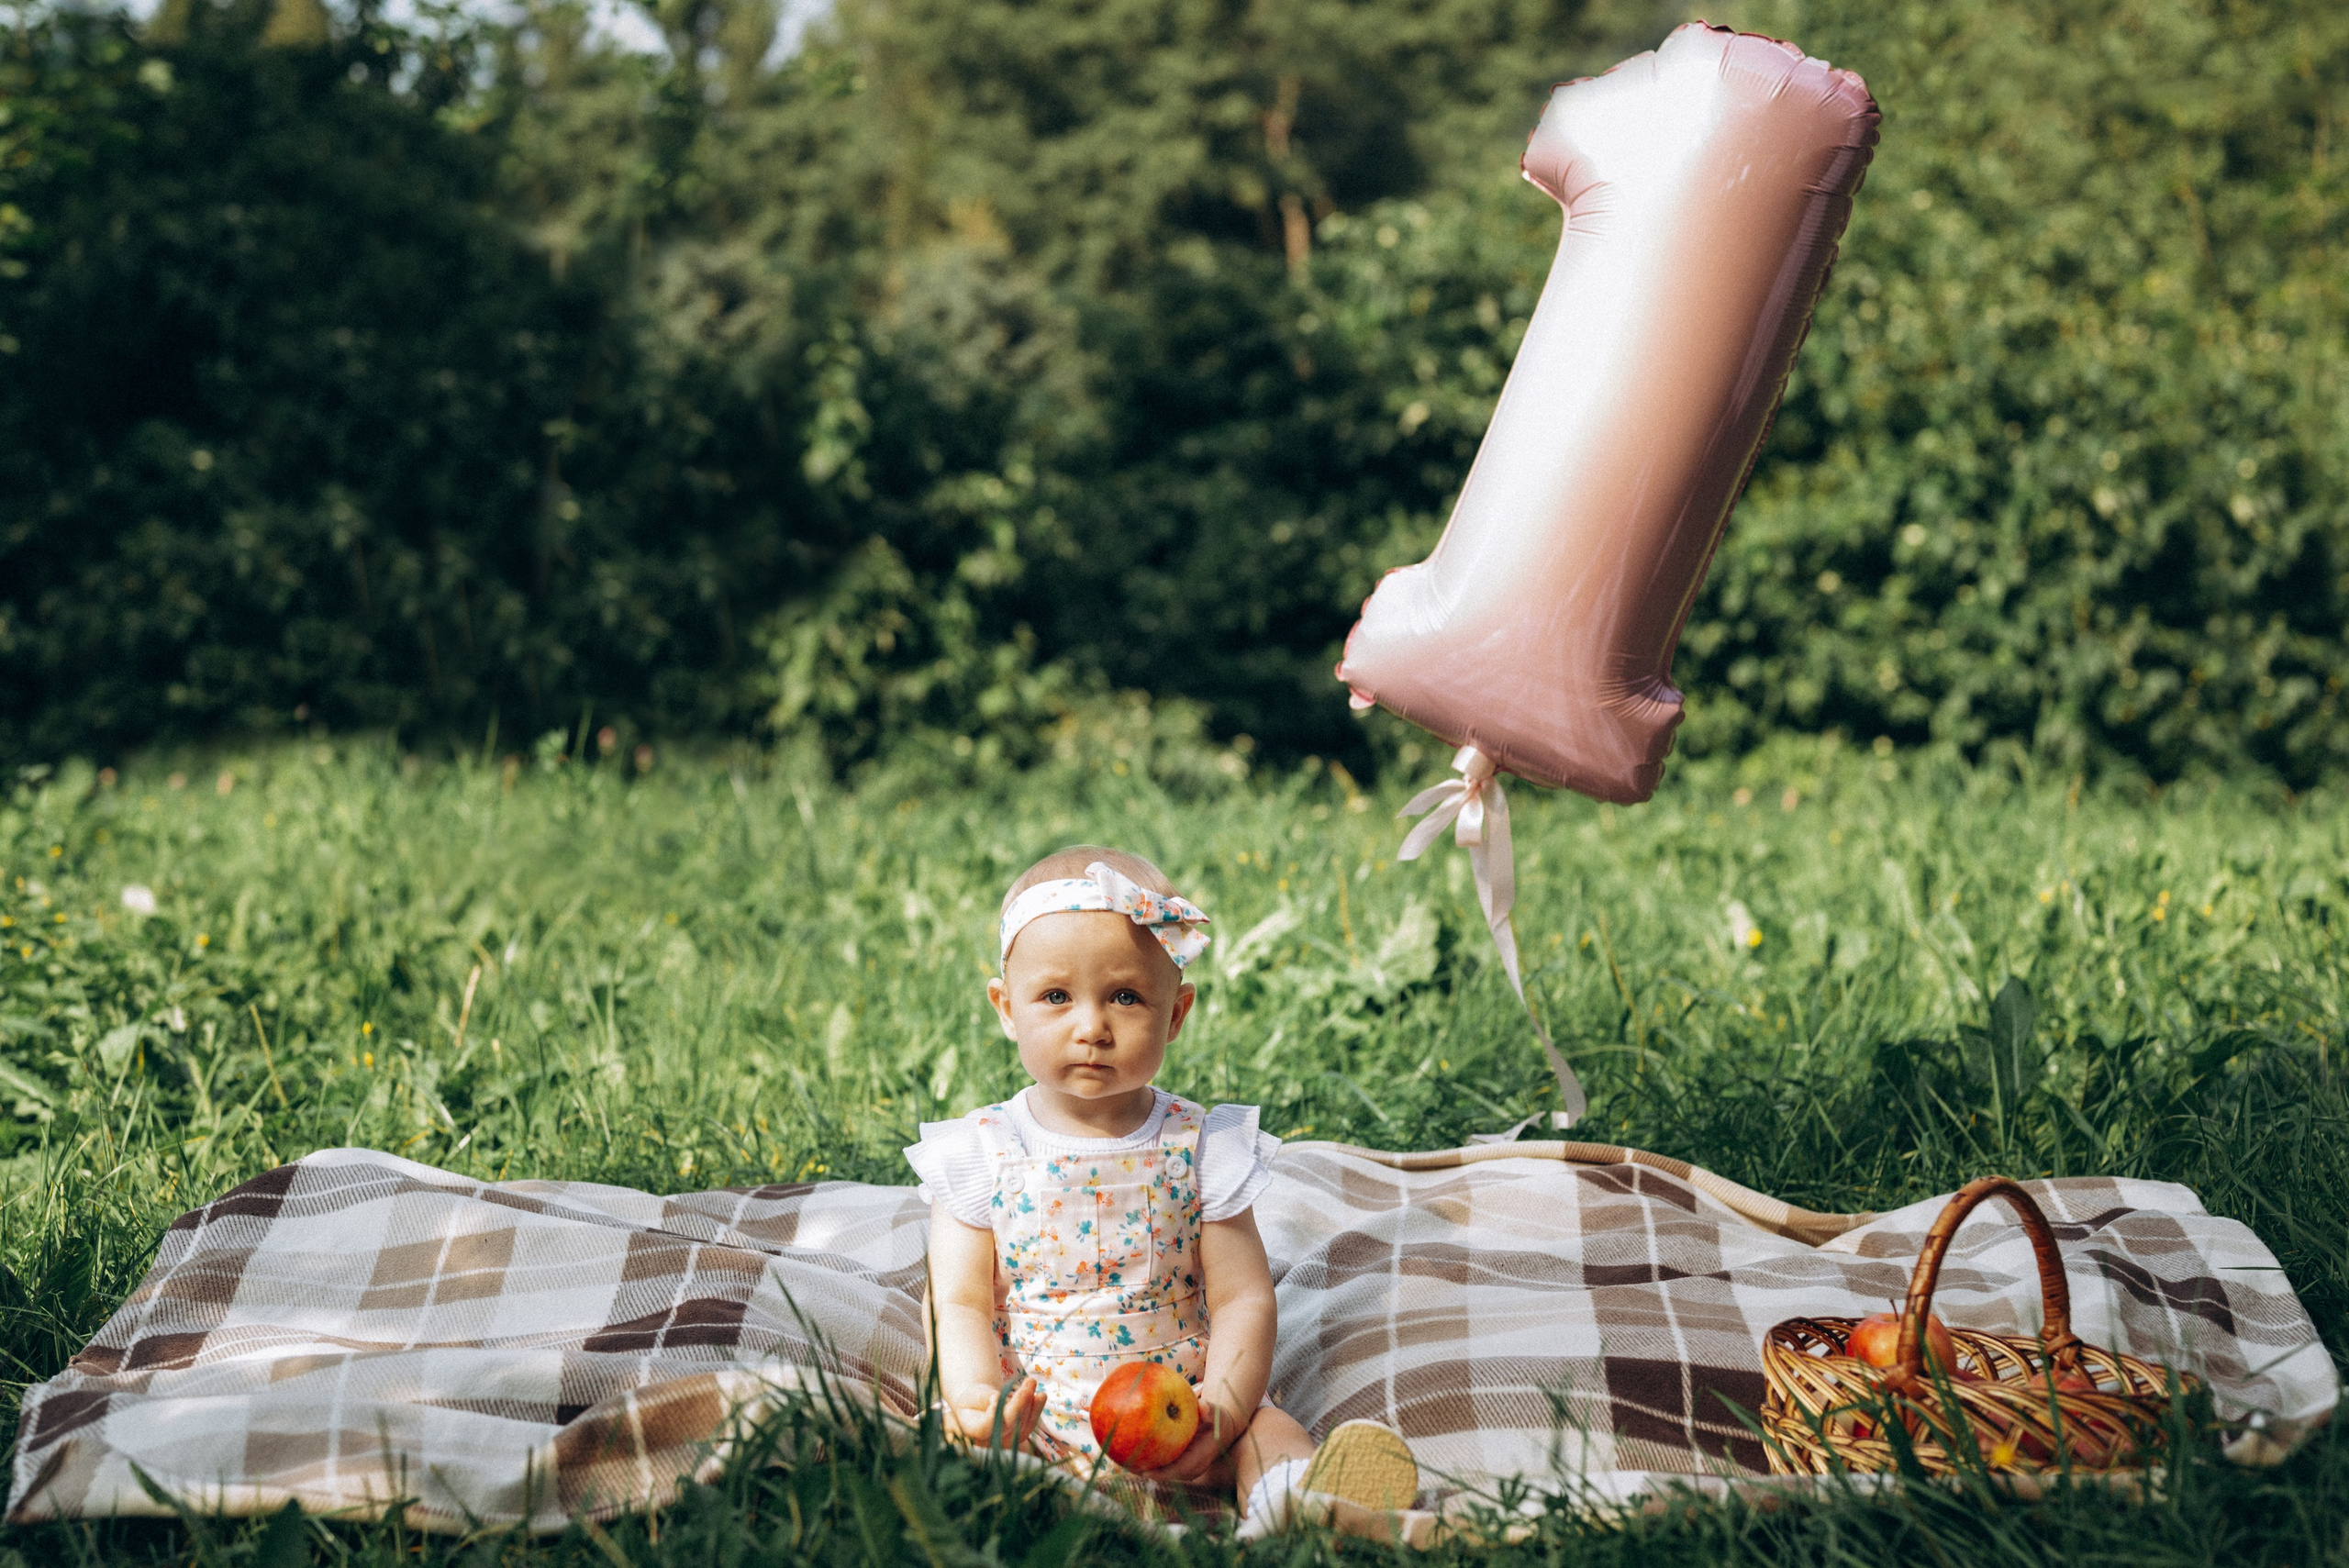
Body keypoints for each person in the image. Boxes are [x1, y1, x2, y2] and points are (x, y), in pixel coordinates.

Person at [906, 845, 1419, 1533]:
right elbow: (960, 1300)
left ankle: (1296, 1500)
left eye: (1124, 995)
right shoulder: (979, 1151)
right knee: (941, 1441)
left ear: (1175, 1015)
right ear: (1006, 1008)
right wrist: (977, 1396)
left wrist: (1227, 1404)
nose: (1091, 1025)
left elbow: (1242, 1293)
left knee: (1269, 1430)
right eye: (1056, 997)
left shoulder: (1201, 1145)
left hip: (1184, 1411)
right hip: (1033, 1418)